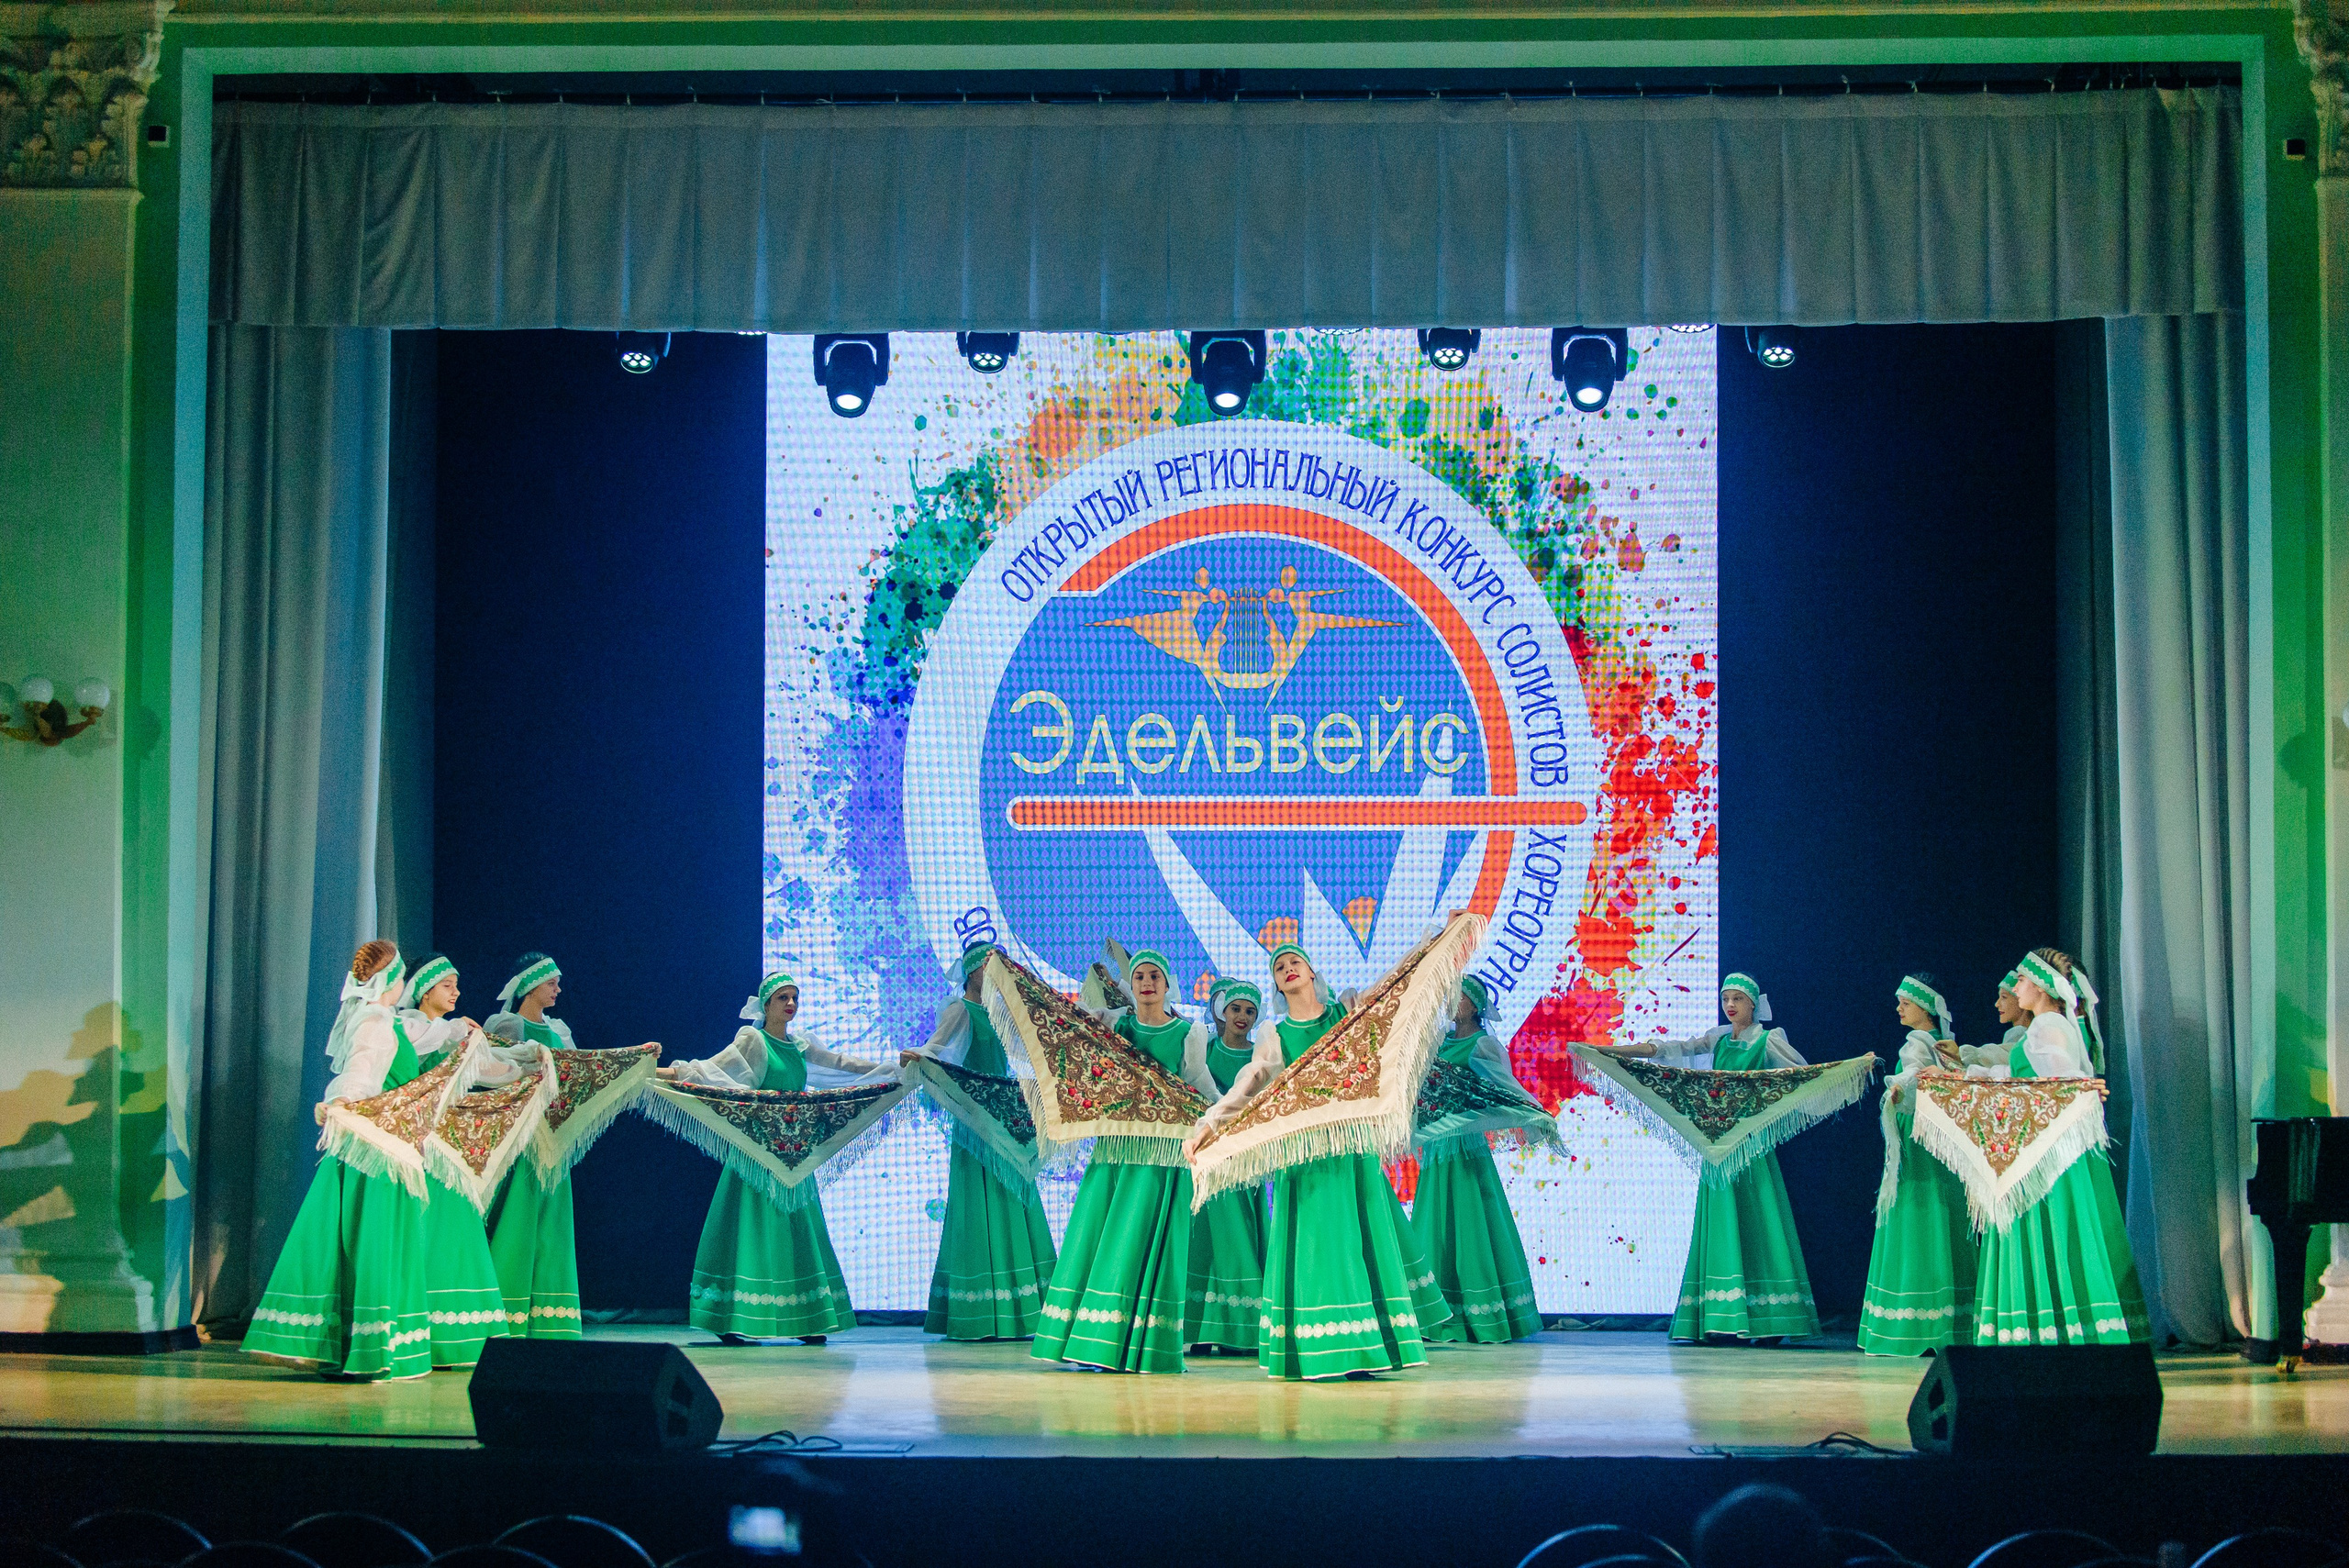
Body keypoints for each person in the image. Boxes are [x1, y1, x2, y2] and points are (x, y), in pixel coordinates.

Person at [1185, 941, 1453, 1380]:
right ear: (1276, 983)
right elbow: (1252, 1078)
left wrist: (1439, 937)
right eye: (1279, 967)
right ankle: (1315, 1347)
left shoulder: (1344, 1013)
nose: (1288, 969)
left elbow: (1397, 988)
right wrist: (1212, 1121)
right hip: (1303, 1157)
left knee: (1355, 1243)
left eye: (1295, 963)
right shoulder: (1275, 1033)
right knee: (1311, 1248)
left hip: (1349, 1152)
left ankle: (1366, 1347)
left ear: (1311, 973)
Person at [245, 941, 507, 1378]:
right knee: (379, 1242)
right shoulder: (378, 1021)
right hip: (380, 1151)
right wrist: (341, 1100)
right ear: (400, 982)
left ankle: (379, 1345)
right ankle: (373, 1348)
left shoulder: (387, 1021)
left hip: (395, 1148)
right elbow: (360, 1071)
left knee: (382, 1243)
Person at [658, 970, 894, 1344]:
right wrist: (664, 1072)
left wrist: (894, 1068)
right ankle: (737, 1319)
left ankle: (806, 1318)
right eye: (783, 997)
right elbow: (714, 1069)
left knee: (797, 1232)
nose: (791, 1004)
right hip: (755, 1155)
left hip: (793, 1157)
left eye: (795, 998)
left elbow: (841, 1064)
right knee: (751, 1230)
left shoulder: (800, 1045)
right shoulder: (754, 1039)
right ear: (766, 1004)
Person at [1602, 973, 1820, 1343]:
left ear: (1753, 1003)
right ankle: (1721, 1317)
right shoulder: (1719, 1037)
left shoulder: (1769, 1039)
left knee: (1757, 1221)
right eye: (1726, 999)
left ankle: (1769, 1320)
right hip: (1718, 1147)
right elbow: (1674, 1049)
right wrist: (1616, 1052)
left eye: (1737, 999)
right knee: (1721, 1221)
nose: (1731, 1006)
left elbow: (1798, 1076)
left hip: (1750, 1146)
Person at [1030, 949, 1219, 1373]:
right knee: (1101, 1240)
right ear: (1129, 988)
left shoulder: (1190, 1032)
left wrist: (1227, 1116)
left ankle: (1140, 1343)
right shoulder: (1116, 1023)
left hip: (1163, 1158)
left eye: (1155, 976)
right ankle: (1093, 1339)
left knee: (1143, 1245)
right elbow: (1069, 1024)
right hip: (1116, 1150)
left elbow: (1198, 1082)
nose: (1146, 983)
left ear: (1168, 984)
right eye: (1138, 978)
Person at [1963, 948, 2149, 1345]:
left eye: (2022, 981)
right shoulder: (2046, 1026)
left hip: (2049, 1160)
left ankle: (2052, 1331)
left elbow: (2060, 1082)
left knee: (2057, 1235)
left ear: (2043, 986)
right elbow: (2029, 1078)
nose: (2015, 987)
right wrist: (1971, 1074)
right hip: (2045, 1152)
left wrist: (2081, 1087)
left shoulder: (2049, 1026)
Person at [484, 952, 664, 1338]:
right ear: (532, 986)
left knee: (551, 1218)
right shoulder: (507, 1024)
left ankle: (548, 1315)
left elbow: (582, 1068)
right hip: (522, 1130)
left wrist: (638, 1060)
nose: (558, 990)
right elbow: (493, 1070)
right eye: (552, 984)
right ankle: (504, 1308)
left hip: (555, 1134)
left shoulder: (559, 1028)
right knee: (519, 1209)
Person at [903, 944, 1058, 1340]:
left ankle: (1019, 1310)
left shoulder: (1001, 1012)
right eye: (988, 968)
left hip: (1004, 1124)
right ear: (972, 973)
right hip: (975, 1124)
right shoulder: (960, 1010)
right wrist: (920, 1056)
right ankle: (980, 1310)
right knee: (978, 1205)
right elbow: (940, 1047)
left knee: (1013, 1200)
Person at [1412, 974, 1543, 1344]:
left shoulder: (1483, 1044)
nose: (1453, 1003)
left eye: (1461, 998)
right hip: (1438, 1147)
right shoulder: (1436, 1041)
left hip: (1466, 1148)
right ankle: (1435, 1313)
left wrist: (1533, 1112)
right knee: (1435, 1222)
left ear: (1475, 1005)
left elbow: (1503, 1087)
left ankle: (1482, 1315)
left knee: (1471, 1224)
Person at [1855, 972, 1976, 1355]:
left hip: (1919, 1134)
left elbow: (1913, 1077)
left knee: (1916, 1211)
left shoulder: (1917, 1041)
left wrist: (1896, 1086)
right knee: (1945, 1211)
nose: (1898, 1009)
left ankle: (1914, 1321)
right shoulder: (1945, 1045)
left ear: (1923, 1007)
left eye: (1904, 1003)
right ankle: (1952, 1321)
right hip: (1941, 1135)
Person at [1186, 981, 1268, 1355]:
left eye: (1250, 1011)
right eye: (1236, 1009)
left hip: (1244, 1160)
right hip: (1208, 1158)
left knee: (1239, 1237)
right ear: (1221, 1011)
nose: (1242, 1017)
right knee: (1206, 1236)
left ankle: (1239, 1329)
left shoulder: (1261, 1056)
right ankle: (1200, 1328)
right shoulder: (1204, 1049)